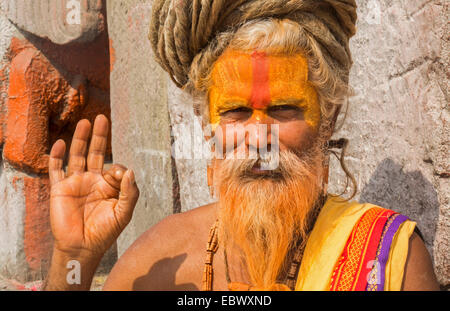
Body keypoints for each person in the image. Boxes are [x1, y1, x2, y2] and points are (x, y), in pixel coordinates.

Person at [43, 0, 439, 291]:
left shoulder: (390, 264)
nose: (259, 137)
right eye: (234, 111)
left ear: (328, 118)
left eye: (285, 109)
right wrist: (73, 260)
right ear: (206, 123)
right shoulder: (162, 261)